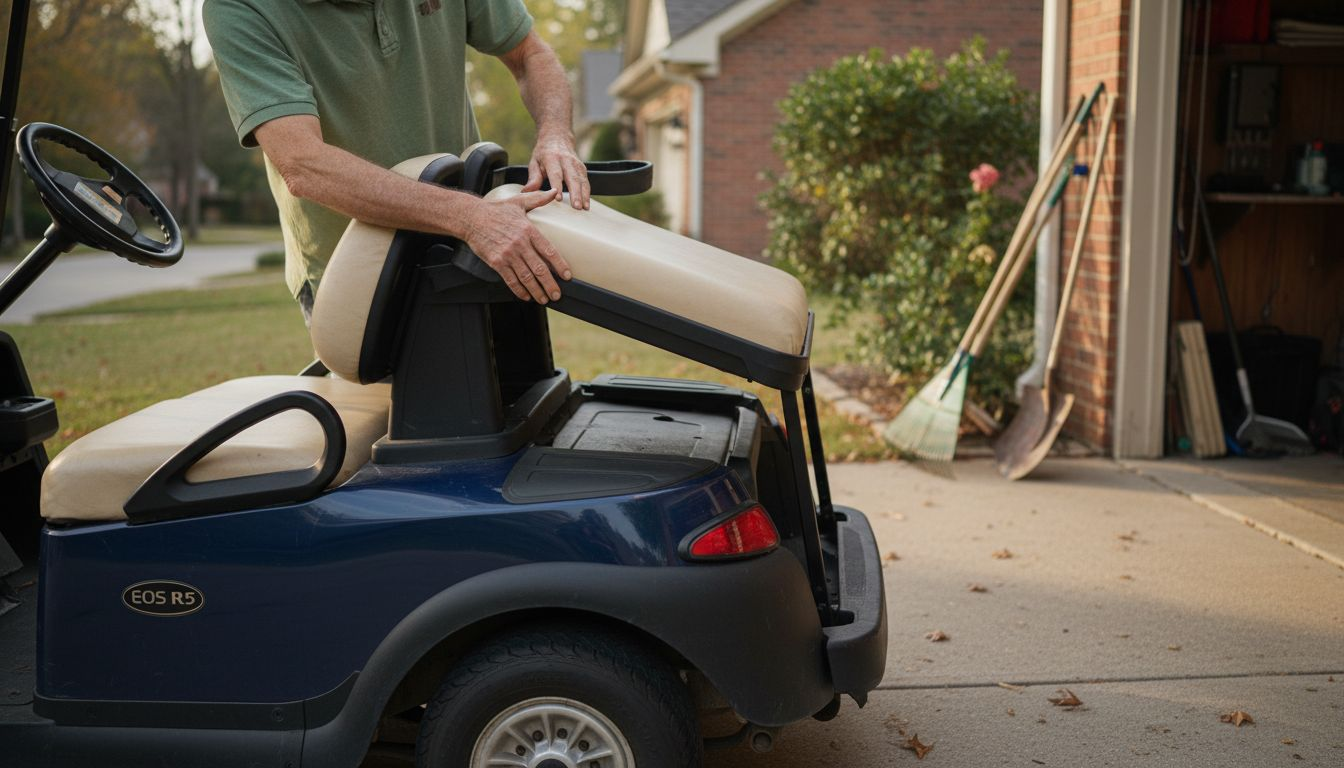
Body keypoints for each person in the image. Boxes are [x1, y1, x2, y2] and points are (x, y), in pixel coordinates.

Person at [202, 0, 590, 323]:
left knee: (517, 399)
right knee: (401, 413)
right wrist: (472, 218)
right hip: (357, 275)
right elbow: (304, 164)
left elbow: (529, 53)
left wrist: (556, 134)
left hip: (477, 247)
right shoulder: (240, 10)